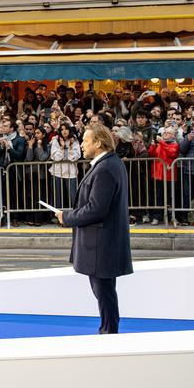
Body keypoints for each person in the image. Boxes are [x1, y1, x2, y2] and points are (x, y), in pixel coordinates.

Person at [56, 124, 133, 334]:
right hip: (103, 242)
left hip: (101, 244)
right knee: (105, 293)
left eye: (85, 141)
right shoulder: (108, 164)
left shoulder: (106, 168)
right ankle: (108, 331)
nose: (81, 145)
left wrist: (67, 217)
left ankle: (109, 334)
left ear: (98, 143)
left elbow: (96, 209)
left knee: (104, 293)